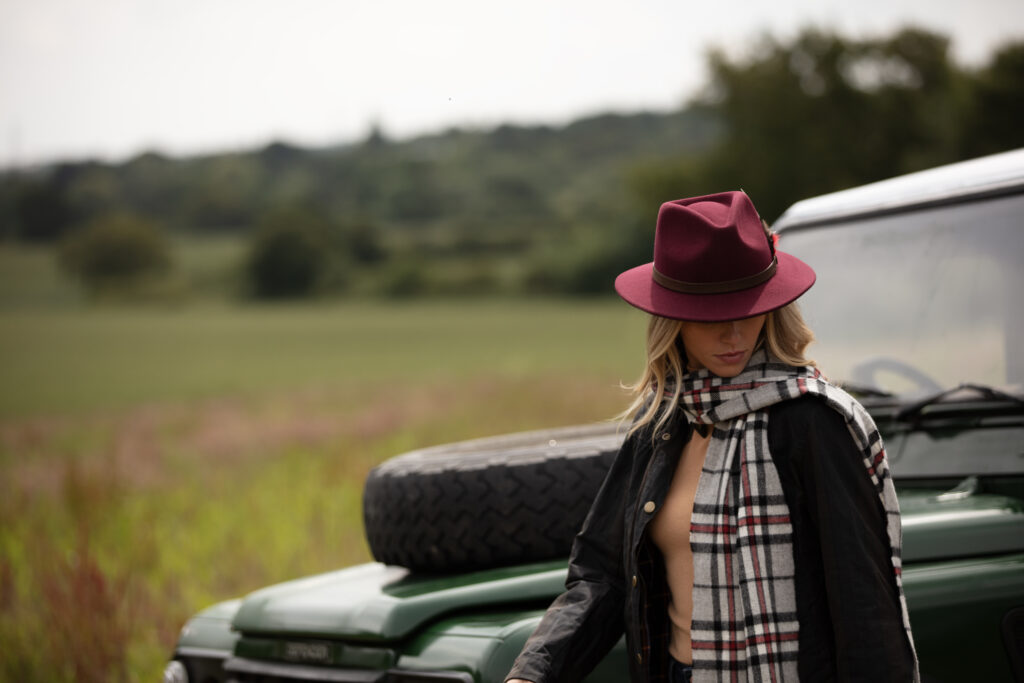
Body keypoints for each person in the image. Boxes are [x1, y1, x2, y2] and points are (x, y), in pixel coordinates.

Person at [505, 191, 919, 682]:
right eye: (710, 314)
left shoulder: (812, 421)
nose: (734, 334)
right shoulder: (661, 426)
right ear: (673, 320)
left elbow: (863, 601)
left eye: (748, 307)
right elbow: (603, 573)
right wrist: (531, 674)